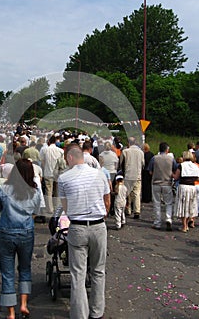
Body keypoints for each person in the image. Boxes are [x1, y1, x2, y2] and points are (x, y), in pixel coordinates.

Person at [58, 144, 110, 319]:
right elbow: (107, 201)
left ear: (70, 157)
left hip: (77, 226)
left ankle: (80, 314)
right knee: (98, 270)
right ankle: (97, 312)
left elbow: (65, 206)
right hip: (98, 225)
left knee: (78, 274)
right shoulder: (100, 174)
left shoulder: (64, 178)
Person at [0, 159, 41, 319]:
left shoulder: (4, 189)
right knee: (25, 269)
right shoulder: (34, 191)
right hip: (26, 232)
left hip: (6, 232)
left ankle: (11, 312)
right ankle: (24, 304)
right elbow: (36, 210)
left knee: (7, 273)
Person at [148, 142, 178, 231]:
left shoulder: (154, 158)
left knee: (157, 203)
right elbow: (175, 169)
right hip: (167, 183)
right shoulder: (171, 159)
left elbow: (150, 171)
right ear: (167, 150)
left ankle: (157, 222)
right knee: (168, 202)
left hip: (156, 183)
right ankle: (168, 218)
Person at [173, 151, 199, 232]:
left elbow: (176, 177)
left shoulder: (181, 165)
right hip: (192, 187)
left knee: (183, 206)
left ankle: (184, 225)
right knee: (190, 206)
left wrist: (171, 174)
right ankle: (187, 224)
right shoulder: (195, 166)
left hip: (183, 187)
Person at [120, 137, 144, 219]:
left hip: (128, 175)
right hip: (137, 175)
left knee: (127, 193)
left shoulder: (125, 151)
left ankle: (128, 209)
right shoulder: (141, 152)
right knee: (137, 193)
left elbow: (121, 163)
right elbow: (143, 163)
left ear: (128, 143)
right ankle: (137, 210)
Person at [40, 135, 65, 214]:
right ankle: (57, 207)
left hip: (47, 172)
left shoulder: (45, 150)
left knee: (48, 191)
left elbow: (42, 162)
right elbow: (62, 163)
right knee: (57, 191)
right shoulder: (61, 151)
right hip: (58, 173)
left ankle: (50, 209)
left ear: (48, 141)